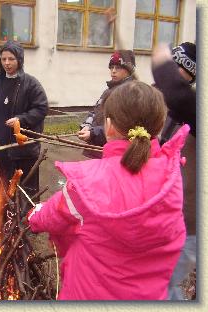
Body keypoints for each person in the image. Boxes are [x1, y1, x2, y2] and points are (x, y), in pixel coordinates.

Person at [28, 81, 187, 300]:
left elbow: (51, 215)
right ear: (158, 126)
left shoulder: (89, 184)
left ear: (109, 126)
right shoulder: (172, 176)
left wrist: (35, 213)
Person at [0, 40, 48, 212]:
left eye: (11, 59)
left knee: (24, 188)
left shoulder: (31, 84)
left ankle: (28, 220)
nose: (7, 63)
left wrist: (21, 119)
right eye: (3, 59)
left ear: (20, 60)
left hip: (22, 148)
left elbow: (41, 108)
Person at [152, 42, 196, 300]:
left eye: (182, 67)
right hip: (171, 216)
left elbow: (177, 95)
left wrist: (161, 59)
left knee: (166, 286)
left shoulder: (190, 107)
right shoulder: (174, 107)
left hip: (189, 224)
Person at [78, 50, 136, 158]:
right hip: (98, 145)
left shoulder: (130, 92)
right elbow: (95, 111)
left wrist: (93, 133)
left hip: (113, 151)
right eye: (111, 67)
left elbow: (119, 125)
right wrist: (86, 126)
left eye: (118, 68)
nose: (113, 71)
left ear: (129, 70)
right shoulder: (108, 90)